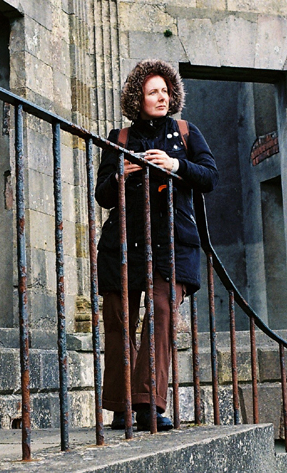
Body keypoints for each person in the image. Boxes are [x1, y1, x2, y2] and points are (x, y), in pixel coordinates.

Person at [95, 59, 218, 431]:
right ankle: (121, 405)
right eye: (153, 92)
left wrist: (175, 165)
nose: (162, 97)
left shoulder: (185, 132)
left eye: (166, 91)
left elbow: (210, 175)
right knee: (119, 320)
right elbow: (102, 195)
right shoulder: (119, 139)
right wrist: (120, 175)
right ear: (138, 98)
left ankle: (148, 403)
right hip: (122, 244)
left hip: (173, 243)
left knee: (162, 312)